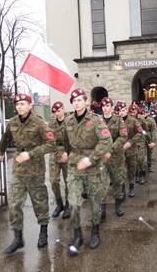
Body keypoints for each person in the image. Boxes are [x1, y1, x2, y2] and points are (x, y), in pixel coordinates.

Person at [0, 93, 55, 254]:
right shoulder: (13, 122)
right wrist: (1, 151)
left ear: (30, 105)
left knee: (39, 202)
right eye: (17, 104)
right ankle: (18, 238)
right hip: (18, 169)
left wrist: (30, 154)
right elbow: (5, 137)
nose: (19, 107)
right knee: (14, 203)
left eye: (23, 104)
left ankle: (43, 231)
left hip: (35, 169)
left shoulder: (39, 123)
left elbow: (50, 144)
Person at [61, 88, 112, 256]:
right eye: (74, 101)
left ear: (86, 102)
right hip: (75, 166)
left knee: (95, 202)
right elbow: (66, 143)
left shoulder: (96, 120)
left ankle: (95, 231)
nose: (76, 103)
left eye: (79, 100)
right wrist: (70, 156)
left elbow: (106, 140)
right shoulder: (68, 121)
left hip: (93, 167)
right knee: (74, 204)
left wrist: (91, 159)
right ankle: (77, 236)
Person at [100, 97, 127, 220]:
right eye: (103, 106)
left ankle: (118, 206)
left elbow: (123, 136)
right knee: (102, 183)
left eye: (108, 105)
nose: (105, 108)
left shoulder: (119, 120)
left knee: (117, 181)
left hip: (116, 157)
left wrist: (110, 149)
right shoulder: (97, 120)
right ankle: (102, 209)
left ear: (111, 106)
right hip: (102, 158)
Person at [48, 101, 70, 219]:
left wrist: (67, 152)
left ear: (63, 109)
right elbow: (49, 139)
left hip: (67, 153)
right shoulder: (51, 123)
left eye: (59, 110)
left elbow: (74, 139)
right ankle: (59, 204)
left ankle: (68, 205)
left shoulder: (70, 121)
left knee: (68, 182)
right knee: (53, 181)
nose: (57, 113)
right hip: (54, 152)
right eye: (55, 111)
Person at [117, 102, 143, 197]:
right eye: (119, 111)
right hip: (120, 151)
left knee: (132, 169)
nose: (121, 112)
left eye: (123, 110)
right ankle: (123, 189)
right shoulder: (115, 121)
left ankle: (131, 186)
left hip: (131, 150)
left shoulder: (133, 120)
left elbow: (140, 133)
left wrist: (131, 142)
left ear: (126, 110)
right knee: (121, 171)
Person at [128, 106, 151, 184]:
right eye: (131, 112)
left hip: (140, 141)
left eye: (134, 112)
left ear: (137, 112)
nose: (132, 114)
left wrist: (149, 141)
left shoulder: (141, 119)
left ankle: (142, 173)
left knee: (140, 159)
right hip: (131, 142)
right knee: (134, 160)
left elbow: (146, 130)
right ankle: (137, 174)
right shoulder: (127, 119)